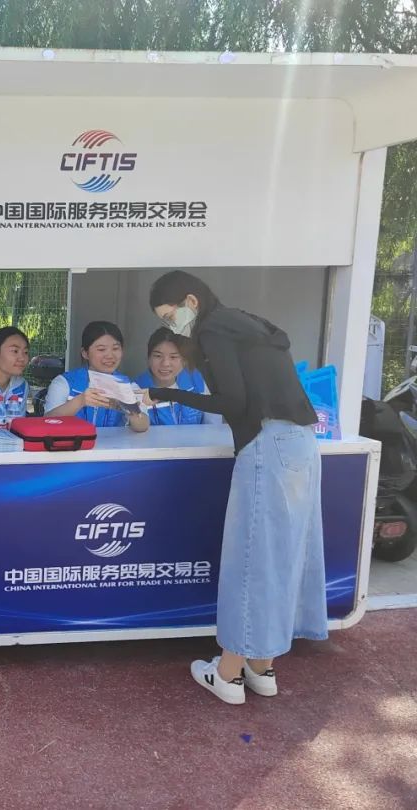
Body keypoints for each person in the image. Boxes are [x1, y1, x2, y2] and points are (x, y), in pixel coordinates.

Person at [145, 270, 323, 705]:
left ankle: (227, 674)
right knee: (281, 558)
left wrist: (165, 395)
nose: (171, 326)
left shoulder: (212, 329)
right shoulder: (247, 322)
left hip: (266, 445)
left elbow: (233, 402)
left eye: (170, 316)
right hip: (301, 442)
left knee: (250, 560)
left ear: (191, 301)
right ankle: (262, 666)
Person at [44, 321, 149, 432]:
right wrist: (80, 401)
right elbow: (47, 422)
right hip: (73, 443)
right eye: (101, 349)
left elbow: (143, 426)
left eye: (115, 348)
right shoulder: (64, 383)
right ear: (85, 353)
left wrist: (133, 412)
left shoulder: (128, 386)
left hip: (113, 444)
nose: (110, 355)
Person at [134, 328, 222, 426]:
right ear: (148, 359)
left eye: (173, 357)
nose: (165, 363)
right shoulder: (137, 388)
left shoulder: (198, 381)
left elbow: (213, 426)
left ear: (184, 360)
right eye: (158, 356)